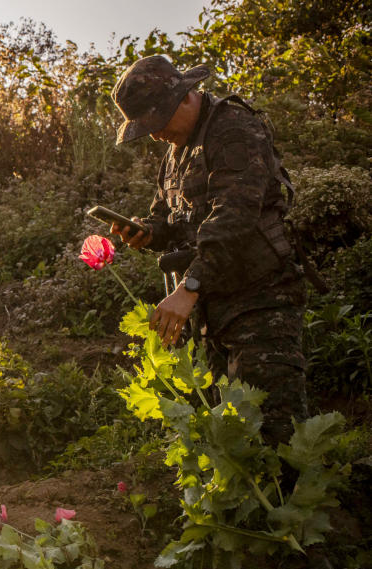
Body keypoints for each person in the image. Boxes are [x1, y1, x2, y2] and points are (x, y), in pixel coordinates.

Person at [108, 54, 307, 446]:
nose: (155, 134)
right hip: (213, 309)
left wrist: (188, 288)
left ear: (185, 97)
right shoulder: (176, 149)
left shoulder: (233, 130)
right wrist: (148, 233)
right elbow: (169, 217)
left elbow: (233, 220)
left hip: (260, 300)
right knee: (231, 434)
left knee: (273, 431)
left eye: (158, 120)